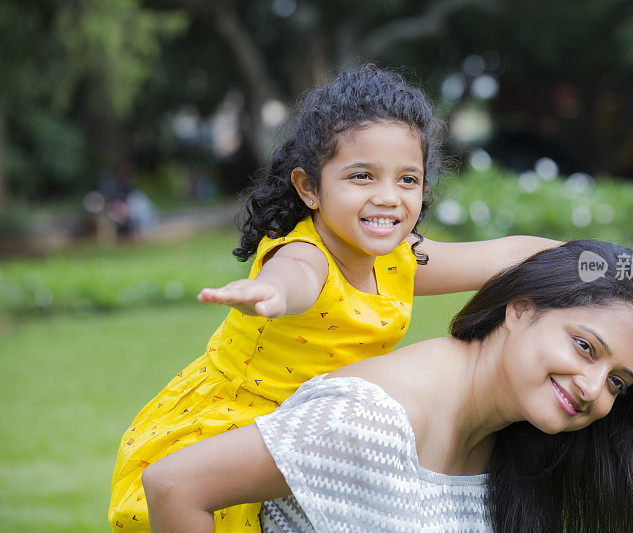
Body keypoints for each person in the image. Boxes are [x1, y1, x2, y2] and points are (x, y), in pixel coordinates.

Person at [108, 65, 559, 531]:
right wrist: (270, 291)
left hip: (315, 433)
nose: (388, 196)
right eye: (362, 176)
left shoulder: (400, 259)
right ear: (310, 188)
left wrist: (601, 262)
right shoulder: (308, 254)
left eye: (407, 180)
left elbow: (505, 255)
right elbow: (296, 278)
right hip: (232, 429)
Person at [141, 240, 633, 532]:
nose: (592, 388)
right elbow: (175, 484)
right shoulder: (370, 420)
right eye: (585, 347)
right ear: (519, 308)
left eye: (618, 381)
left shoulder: (515, 441)